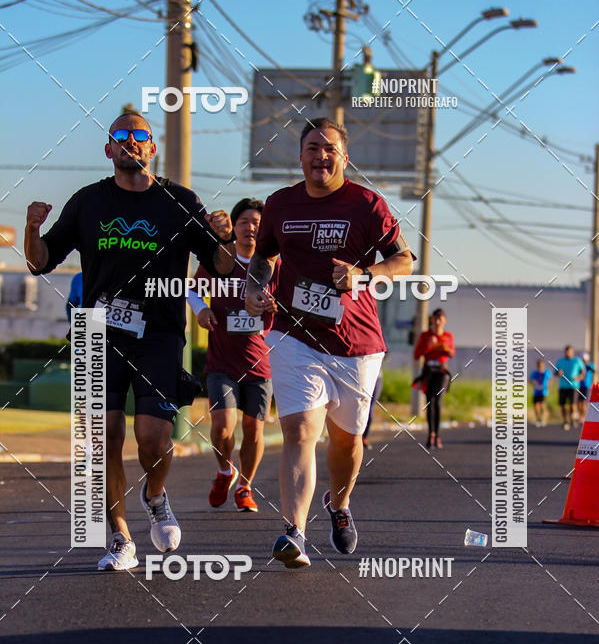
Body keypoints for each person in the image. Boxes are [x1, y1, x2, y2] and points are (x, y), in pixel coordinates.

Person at [25, 111, 235, 570]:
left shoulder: (179, 201)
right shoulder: (87, 202)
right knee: (103, 439)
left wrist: (226, 237)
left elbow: (219, 264)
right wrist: (32, 229)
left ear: (151, 148)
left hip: (158, 333)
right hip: (97, 330)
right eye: (121, 137)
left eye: (140, 137)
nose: (131, 143)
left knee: (153, 440)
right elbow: (41, 263)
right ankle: (120, 537)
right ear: (109, 150)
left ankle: (155, 495)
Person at [245, 117, 414, 568]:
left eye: (330, 148)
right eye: (313, 147)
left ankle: (338, 505)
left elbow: (404, 260)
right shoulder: (280, 203)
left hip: (356, 341)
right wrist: (253, 287)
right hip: (292, 333)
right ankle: (294, 533)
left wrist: (365, 275)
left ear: (344, 157)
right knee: (300, 431)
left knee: (347, 441)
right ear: (300, 156)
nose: (321, 155)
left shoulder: (365, 202)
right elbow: (263, 257)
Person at [191, 197, 277, 513]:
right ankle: (225, 471)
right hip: (222, 361)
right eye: (244, 222)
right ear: (235, 227)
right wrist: (200, 310)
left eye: (257, 223)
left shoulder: (272, 264)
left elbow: (288, 303)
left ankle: (245, 486)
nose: (250, 228)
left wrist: (274, 308)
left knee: (254, 430)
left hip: (259, 362)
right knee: (223, 428)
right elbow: (191, 290)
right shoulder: (221, 258)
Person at [413, 308, 455, 448]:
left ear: (444, 321)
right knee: (430, 402)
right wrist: (428, 346)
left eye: (440, 319)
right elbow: (417, 355)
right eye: (435, 319)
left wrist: (445, 349)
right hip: (428, 371)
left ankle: (437, 435)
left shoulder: (448, 336)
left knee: (437, 402)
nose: (437, 322)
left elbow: (452, 353)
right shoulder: (425, 335)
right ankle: (430, 434)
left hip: (442, 371)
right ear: (431, 320)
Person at [554, 345, 585, 430]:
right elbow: (555, 373)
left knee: (572, 405)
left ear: (572, 352)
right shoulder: (560, 361)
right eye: (566, 351)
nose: (568, 353)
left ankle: (573, 418)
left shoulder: (577, 361)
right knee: (562, 405)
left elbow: (583, 373)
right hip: (563, 386)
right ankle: (565, 421)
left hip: (573, 386)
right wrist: (558, 373)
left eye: (570, 351)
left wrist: (578, 377)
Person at [529, 358, 552, 427]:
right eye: (539, 365)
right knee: (536, 406)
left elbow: (550, 379)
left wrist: (548, 387)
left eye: (541, 364)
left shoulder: (547, 372)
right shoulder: (534, 373)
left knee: (542, 405)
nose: (540, 366)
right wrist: (532, 383)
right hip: (536, 391)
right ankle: (538, 419)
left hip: (544, 392)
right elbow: (530, 380)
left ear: (543, 365)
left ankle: (542, 418)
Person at [577, 352, 595, 423]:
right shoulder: (580, 365)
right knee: (579, 402)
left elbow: (593, 371)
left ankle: (584, 416)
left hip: (587, 386)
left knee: (585, 402)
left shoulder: (590, 365)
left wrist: (587, 365)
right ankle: (580, 415)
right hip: (579, 385)